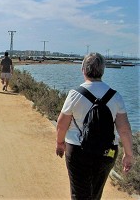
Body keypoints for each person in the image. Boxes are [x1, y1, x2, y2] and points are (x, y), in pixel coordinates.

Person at [56, 53, 133, 200]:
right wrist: (128, 155)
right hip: (106, 151)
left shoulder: (74, 94)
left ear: (83, 70)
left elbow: (61, 124)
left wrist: (60, 143)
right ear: (103, 71)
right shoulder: (115, 96)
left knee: (78, 193)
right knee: (96, 194)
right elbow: (124, 129)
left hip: (77, 150)